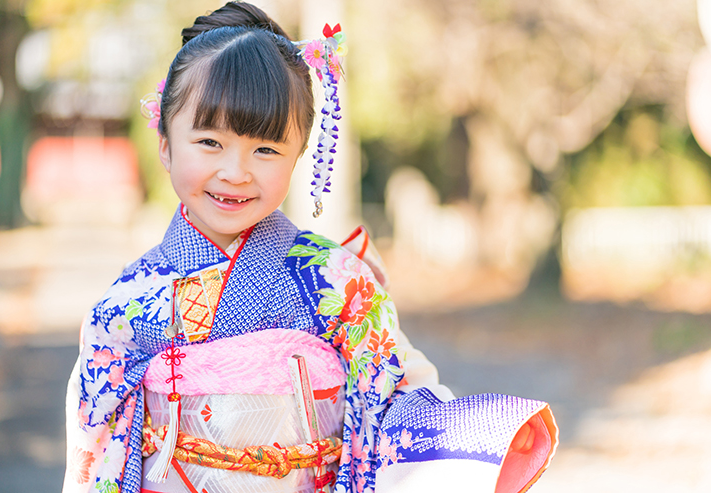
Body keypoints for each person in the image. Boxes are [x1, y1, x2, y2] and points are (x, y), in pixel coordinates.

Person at [63, 3, 558, 493]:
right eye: (210, 142)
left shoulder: (340, 282)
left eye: (266, 149)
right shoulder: (125, 304)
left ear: (299, 154)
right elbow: (97, 445)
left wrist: (460, 445)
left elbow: (388, 404)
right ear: (166, 143)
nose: (236, 172)